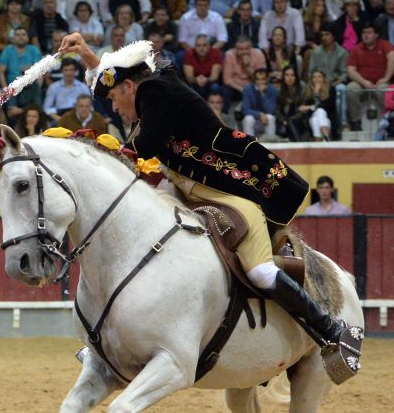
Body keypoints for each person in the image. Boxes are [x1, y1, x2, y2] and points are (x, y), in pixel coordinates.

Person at [61, 30, 351, 355]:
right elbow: (117, 80)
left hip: (234, 194)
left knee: (259, 270)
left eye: (114, 99)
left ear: (129, 88)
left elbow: (140, 148)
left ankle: (329, 328)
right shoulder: (151, 90)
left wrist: (87, 157)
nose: (114, 109)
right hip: (193, 192)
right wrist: (87, 55)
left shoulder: (155, 92)